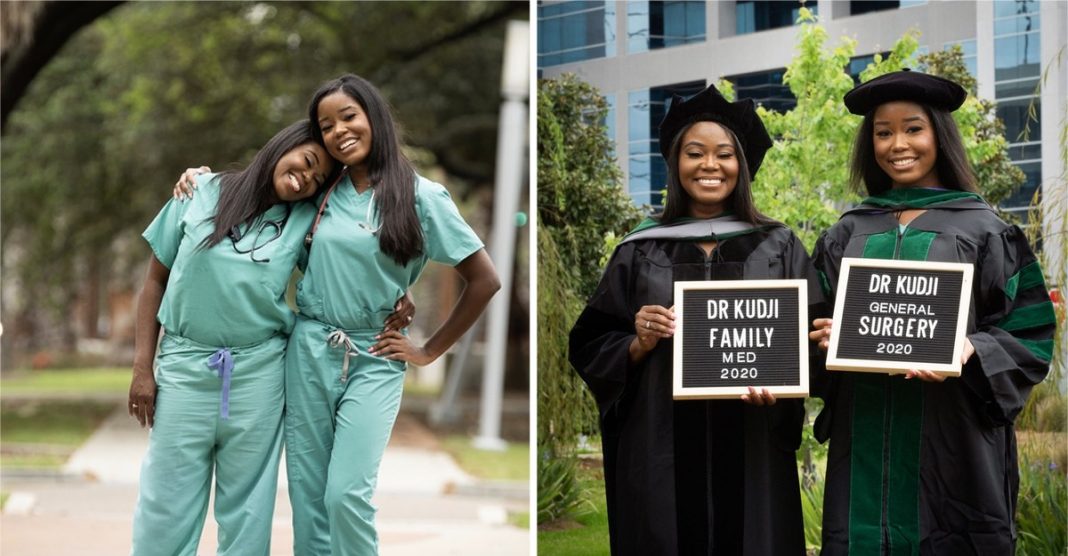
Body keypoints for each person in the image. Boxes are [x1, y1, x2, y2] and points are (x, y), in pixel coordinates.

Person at [177, 74, 501, 555]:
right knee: (309, 500)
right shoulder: (319, 194)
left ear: (374, 117)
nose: (338, 131)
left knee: (346, 493)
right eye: (325, 125)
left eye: (348, 117)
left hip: (375, 356)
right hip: (307, 352)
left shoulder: (421, 197)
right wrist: (198, 179)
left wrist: (429, 351)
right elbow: (260, 201)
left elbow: (485, 279)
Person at [808, 69, 1056, 555]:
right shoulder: (846, 232)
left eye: (913, 128)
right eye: (883, 132)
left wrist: (972, 347)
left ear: (938, 135)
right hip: (864, 444)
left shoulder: (987, 230)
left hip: (953, 446)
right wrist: (822, 337)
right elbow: (810, 331)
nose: (898, 143)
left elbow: (1030, 332)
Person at [569, 84, 823, 555]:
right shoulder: (641, 248)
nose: (710, 165)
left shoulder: (779, 245)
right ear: (675, 164)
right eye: (695, 153)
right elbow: (590, 340)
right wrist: (637, 342)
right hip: (662, 448)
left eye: (724, 154)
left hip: (752, 448)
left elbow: (812, 336)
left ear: (741, 165)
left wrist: (785, 382)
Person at [128, 120, 339, 555]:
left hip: (259, 375)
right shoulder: (200, 191)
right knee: (164, 506)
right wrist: (141, 368)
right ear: (286, 144)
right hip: (185, 370)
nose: (306, 179)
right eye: (309, 162)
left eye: (317, 180)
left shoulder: (305, 221)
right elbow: (154, 282)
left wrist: (400, 293)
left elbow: (352, 256)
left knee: (248, 511)